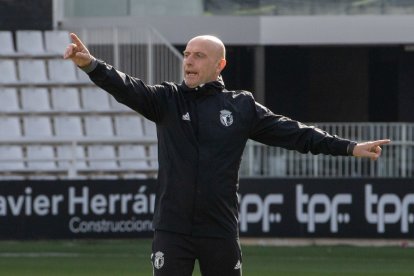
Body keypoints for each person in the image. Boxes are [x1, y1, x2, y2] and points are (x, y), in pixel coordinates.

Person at [64, 33, 390, 276]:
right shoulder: (167, 100)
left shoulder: (241, 106)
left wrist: (348, 147)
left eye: (199, 56)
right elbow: (126, 87)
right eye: (187, 54)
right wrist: (91, 65)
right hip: (172, 228)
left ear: (220, 64)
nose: (188, 61)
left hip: (219, 229)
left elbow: (295, 133)